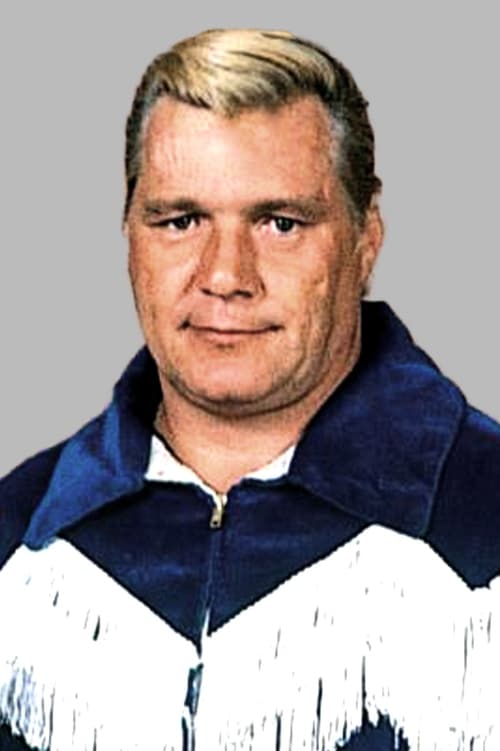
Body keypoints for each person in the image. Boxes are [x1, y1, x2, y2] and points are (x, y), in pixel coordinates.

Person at [0, 27, 499, 751]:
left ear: (366, 239)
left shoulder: (484, 527)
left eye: (279, 223)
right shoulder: (19, 540)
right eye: (180, 221)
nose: (225, 275)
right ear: (129, 235)